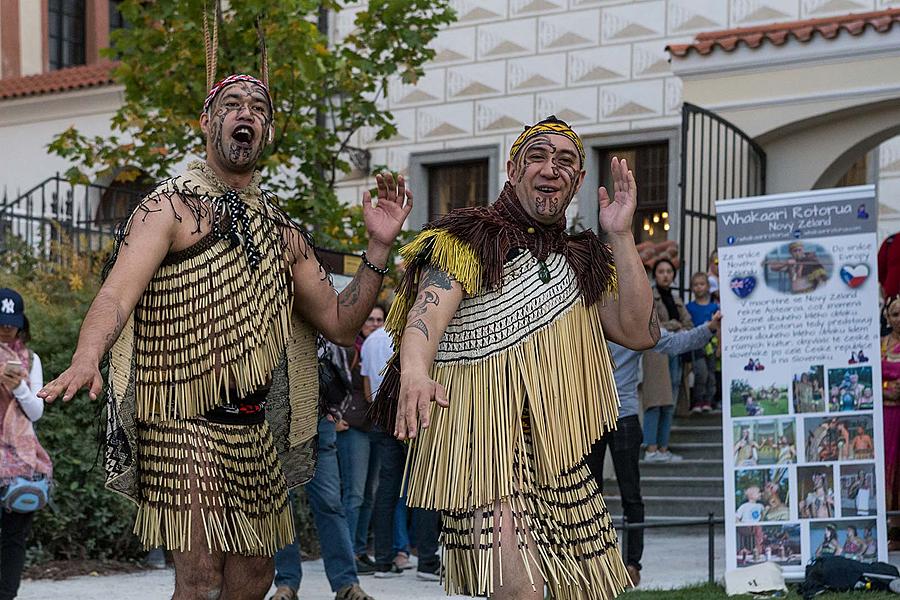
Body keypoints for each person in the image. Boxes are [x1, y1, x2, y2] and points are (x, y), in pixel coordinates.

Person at [37, 64, 411, 598]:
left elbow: (338, 320)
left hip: (253, 428)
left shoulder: (282, 231)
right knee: (201, 581)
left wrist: (377, 250)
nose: (247, 115)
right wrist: (86, 354)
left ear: (269, 133)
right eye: (233, 105)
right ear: (206, 120)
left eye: (259, 110)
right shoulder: (168, 207)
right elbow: (117, 295)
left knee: (252, 582)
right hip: (179, 422)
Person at [371, 116, 659, 599]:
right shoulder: (467, 239)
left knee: (584, 592)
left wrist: (622, 236)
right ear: (512, 168)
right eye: (538, 157)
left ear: (579, 181)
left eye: (565, 161)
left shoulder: (583, 259)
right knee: (521, 592)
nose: (551, 169)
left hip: (560, 458)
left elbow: (640, 331)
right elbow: (426, 316)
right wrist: (416, 372)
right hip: (481, 455)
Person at [586, 315, 720, 588]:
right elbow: (673, 342)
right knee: (591, 495)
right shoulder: (587, 321)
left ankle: (631, 565)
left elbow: (672, 342)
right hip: (591, 417)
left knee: (627, 494)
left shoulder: (629, 323)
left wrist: (709, 329)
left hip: (620, 417)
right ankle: (597, 562)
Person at [270, 339, 377, 600]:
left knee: (330, 502)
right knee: (282, 506)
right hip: (278, 420)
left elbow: (340, 353)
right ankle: (286, 584)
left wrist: (334, 407)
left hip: (317, 422)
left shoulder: (316, 307)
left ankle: (346, 583)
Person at [362, 315, 442, 581]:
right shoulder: (415, 339)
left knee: (386, 491)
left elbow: (366, 389)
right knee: (424, 486)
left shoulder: (372, 341)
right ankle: (427, 561)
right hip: (414, 417)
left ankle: (383, 561)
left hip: (383, 420)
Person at [0, 288, 51, 600]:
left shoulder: (31, 360)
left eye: (12, 322)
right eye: (1, 321)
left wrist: (18, 386)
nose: (6, 328)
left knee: (14, 537)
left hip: (21, 461)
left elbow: (36, 412)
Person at [336, 306, 386, 573]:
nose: (375, 324)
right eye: (370, 319)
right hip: (352, 427)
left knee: (369, 494)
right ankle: (346, 554)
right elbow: (329, 380)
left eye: (379, 320)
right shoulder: (349, 347)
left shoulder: (379, 348)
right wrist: (333, 416)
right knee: (354, 493)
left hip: (374, 426)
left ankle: (359, 550)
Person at [643, 258, 693, 462]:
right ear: (655, 275)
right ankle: (651, 448)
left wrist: (674, 326)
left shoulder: (677, 298)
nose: (665, 275)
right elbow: (653, 325)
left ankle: (663, 448)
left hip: (676, 354)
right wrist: (675, 325)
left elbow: (688, 324)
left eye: (669, 271)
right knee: (655, 401)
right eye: (661, 271)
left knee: (669, 402)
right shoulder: (649, 296)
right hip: (657, 355)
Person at [685, 272, 719, 413]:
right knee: (701, 372)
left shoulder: (713, 308)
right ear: (692, 288)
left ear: (708, 287)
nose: (699, 287)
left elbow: (719, 328)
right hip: (697, 345)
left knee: (711, 373)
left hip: (712, 344)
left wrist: (720, 346)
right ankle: (697, 400)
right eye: (696, 285)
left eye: (702, 284)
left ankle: (709, 400)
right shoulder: (689, 307)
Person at [883, 296, 900, 524]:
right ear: (887, 317)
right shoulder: (878, 345)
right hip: (887, 417)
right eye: (895, 314)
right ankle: (891, 528)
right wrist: (885, 389)